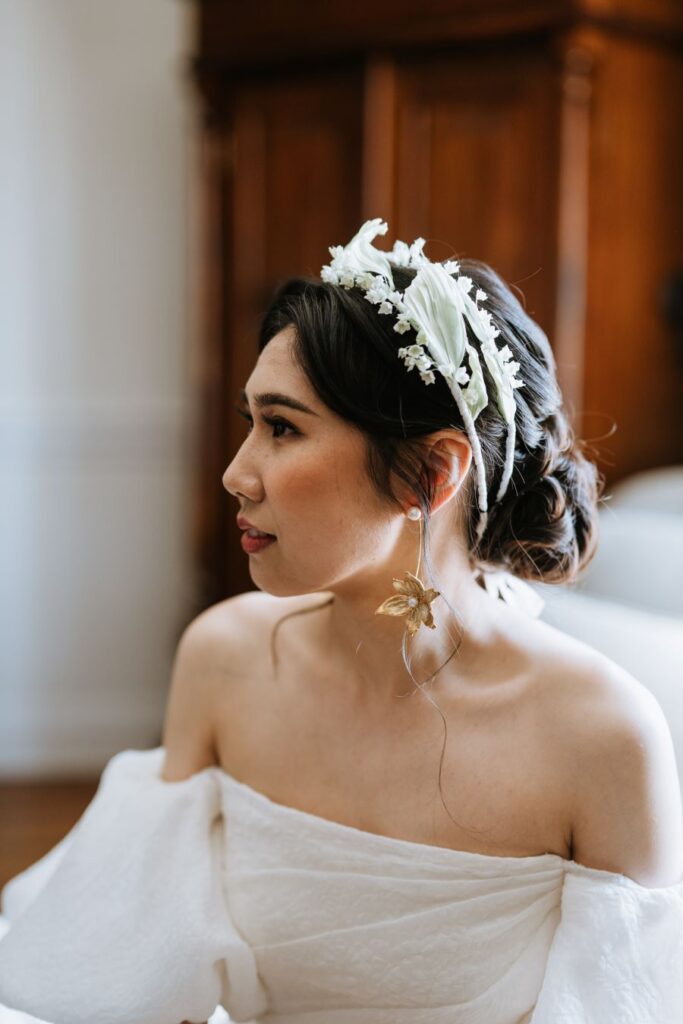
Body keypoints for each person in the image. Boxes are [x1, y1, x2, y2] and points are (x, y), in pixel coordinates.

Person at [1, 219, 682, 1024]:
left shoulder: (602, 738)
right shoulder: (223, 660)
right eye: (249, 421)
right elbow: (142, 961)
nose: (236, 473)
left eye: (282, 427)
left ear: (428, 475)